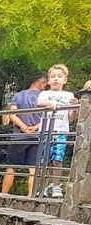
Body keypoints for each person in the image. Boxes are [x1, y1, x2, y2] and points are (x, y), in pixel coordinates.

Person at [2, 75, 47, 195]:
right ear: (41, 84)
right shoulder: (44, 97)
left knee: (11, 166)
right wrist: (36, 127)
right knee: (33, 168)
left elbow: (12, 114)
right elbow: (46, 116)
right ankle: (30, 196)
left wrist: (23, 127)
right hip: (37, 136)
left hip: (19, 136)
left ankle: (3, 194)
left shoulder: (18, 95)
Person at [37, 64, 77, 198]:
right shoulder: (45, 93)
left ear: (65, 80)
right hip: (46, 129)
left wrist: (74, 107)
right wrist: (51, 105)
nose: (56, 79)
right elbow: (39, 103)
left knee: (58, 158)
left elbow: (71, 117)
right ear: (48, 80)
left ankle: (56, 186)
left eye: (59, 76)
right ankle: (41, 186)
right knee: (43, 158)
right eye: (53, 76)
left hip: (61, 129)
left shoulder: (69, 95)